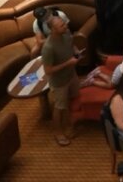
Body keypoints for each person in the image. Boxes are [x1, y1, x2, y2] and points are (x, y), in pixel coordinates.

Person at [41, 12, 81, 146]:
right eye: (61, 26)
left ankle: (68, 124)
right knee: (59, 107)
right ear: (52, 30)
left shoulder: (66, 33)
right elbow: (48, 71)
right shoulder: (48, 47)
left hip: (71, 75)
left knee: (72, 99)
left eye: (63, 23)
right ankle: (57, 132)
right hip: (59, 82)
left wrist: (76, 51)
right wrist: (68, 63)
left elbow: (71, 45)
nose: (65, 26)